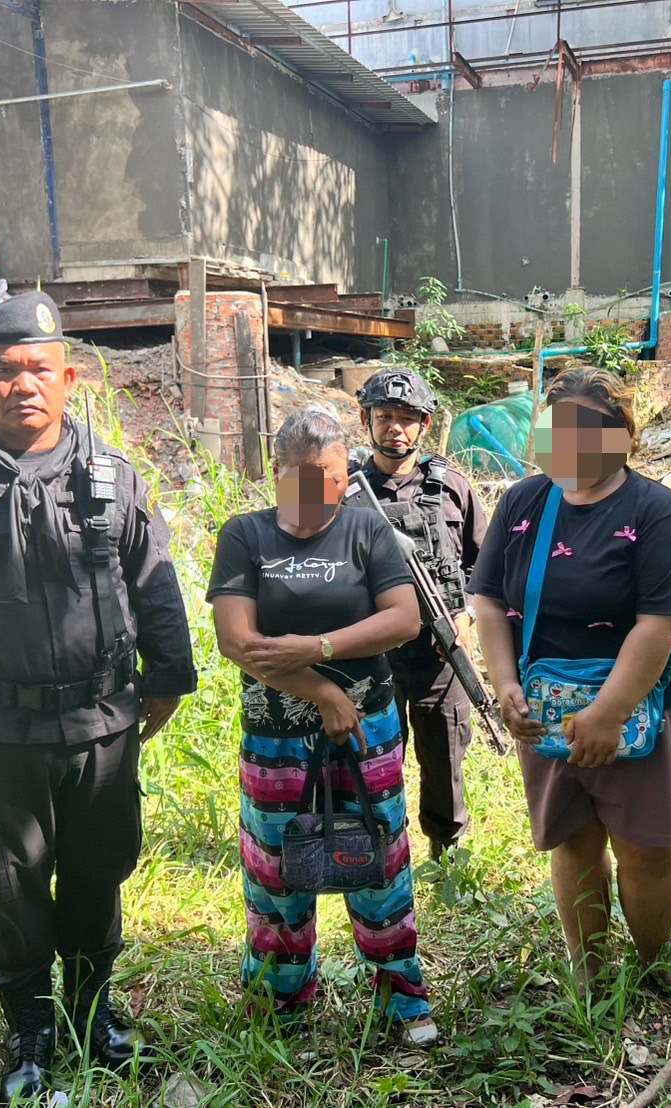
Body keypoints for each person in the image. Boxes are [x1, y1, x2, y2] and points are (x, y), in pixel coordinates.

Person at [0, 292, 198, 1103]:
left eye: (39, 369)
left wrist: (167, 676)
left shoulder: (111, 476)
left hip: (102, 721)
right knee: (12, 882)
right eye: (4, 371)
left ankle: (92, 1012)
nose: (23, 385)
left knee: (98, 869)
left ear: (69, 378)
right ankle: (30, 1030)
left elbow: (155, 583)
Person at [468, 368, 671, 992]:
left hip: (640, 704)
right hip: (546, 705)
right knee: (574, 839)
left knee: (644, 845)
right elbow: (489, 601)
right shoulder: (524, 502)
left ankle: (654, 962)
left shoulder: (655, 511)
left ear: (621, 435)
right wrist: (504, 682)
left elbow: (663, 622)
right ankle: (589, 969)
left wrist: (609, 712)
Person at [207, 407, 439, 1045]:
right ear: (278, 472)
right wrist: (323, 692)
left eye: (334, 477)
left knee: (380, 857)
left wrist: (317, 649)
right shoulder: (246, 536)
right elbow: (238, 642)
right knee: (276, 865)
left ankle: (401, 997)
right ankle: (281, 998)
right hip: (277, 735)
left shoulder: (366, 529)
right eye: (306, 477)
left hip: (367, 731)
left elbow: (403, 620)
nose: (322, 489)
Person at [355, 367, 489, 860]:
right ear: (366, 420)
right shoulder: (343, 492)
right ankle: (379, 851)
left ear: (424, 425)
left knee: (444, 756)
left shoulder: (453, 486)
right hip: (370, 656)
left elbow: (483, 566)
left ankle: (446, 852)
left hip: (440, 653)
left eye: (407, 418)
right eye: (384, 416)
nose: (395, 427)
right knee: (372, 760)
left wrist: (466, 616)